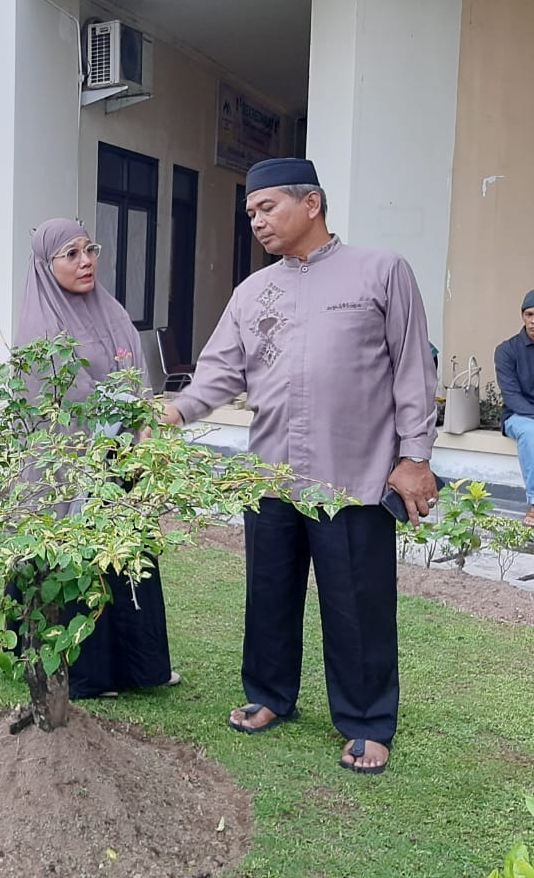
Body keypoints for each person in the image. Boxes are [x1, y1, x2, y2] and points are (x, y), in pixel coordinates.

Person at [160, 158, 437, 775]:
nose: (256, 221)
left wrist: (415, 457)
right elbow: (220, 371)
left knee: (357, 604)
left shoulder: (381, 272)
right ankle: (268, 695)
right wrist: (175, 413)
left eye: (267, 208)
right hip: (272, 475)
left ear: (311, 203)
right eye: (250, 212)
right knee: (268, 594)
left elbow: (413, 369)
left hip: (355, 475)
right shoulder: (253, 292)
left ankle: (366, 720)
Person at [15, 217, 179, 698]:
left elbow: (138, 377)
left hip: (120, 459)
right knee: (77, 564)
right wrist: (97, 434)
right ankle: (90, 674)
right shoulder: (40, 324)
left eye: (89, 250)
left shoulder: (110, 310)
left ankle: (141, 667)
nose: (86, 261)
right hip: (69, 468)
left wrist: (143, 420)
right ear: (47, 266)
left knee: (127, 559)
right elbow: (51, 400)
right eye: (71, 254)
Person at [495, 289, 534, 527]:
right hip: (518, 415)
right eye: (529, 314)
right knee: (531, 432)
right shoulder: (507, 350)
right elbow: (512, 397)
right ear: (522, 316)